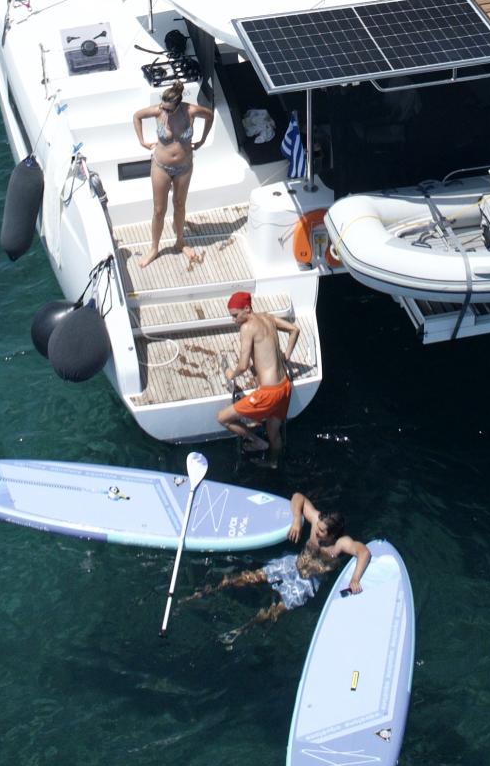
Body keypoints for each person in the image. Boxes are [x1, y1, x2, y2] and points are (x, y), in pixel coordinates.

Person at [195, 492, 368, 644]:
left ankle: (241, 631)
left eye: (322, 531)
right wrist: (297, 520)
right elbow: (298, 496)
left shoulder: (341, 544)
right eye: (318, 526)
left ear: (333, 534)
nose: (316, 531)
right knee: (250, 576)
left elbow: (363, 552)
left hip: (307, 582)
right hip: (292, 564)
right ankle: (206, 591)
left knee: (276, 611)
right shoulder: (317, 521)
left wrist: (355, 579)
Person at [133, 79, 216, 266]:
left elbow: (210, 116)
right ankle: (154, 248)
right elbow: (136, 116)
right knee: (158, 210)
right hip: (161, 166)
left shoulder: (191, 111)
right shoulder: (159, 111)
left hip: (184, 167)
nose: (166, 112)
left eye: (169, 110)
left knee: (179, 205)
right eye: (164, 108)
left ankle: (180, 242)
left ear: (178, 105)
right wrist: (142, 141)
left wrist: (202, 139)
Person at [216, 289, 298, 462]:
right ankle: (273, 462)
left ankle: (257, 442)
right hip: (284, 387)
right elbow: (294, 330)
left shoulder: (247, 327)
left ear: (247, 309)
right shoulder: (268, 317)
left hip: (269, 393)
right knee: (273, 433)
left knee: (222, 418)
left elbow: (243, 366)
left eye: (235, 315)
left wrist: (231, 373)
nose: (233, 320)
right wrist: (286, 356)